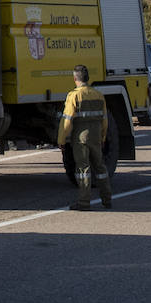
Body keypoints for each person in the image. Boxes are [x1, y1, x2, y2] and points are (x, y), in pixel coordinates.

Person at [58, 63, 112, 210]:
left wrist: (61, 140)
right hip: (96, 136)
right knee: (100, 168)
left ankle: (84, 202)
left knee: (83, 170)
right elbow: (105, 120)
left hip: (80, 138)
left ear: (75, 79)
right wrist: (103, 137)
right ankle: (107, 199)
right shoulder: (99, 95)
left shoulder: (74, 96)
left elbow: (67, 121)